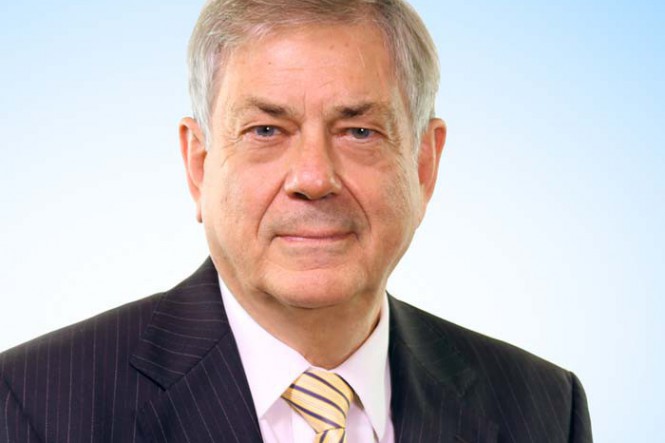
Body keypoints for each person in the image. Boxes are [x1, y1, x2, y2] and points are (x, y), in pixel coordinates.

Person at [0, 0, 592, 442]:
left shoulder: (542, 409)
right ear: (199, 165)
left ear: (423, 165)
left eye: (359, 131)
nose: (313, 177)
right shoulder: (35, 404)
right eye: (266, 130)